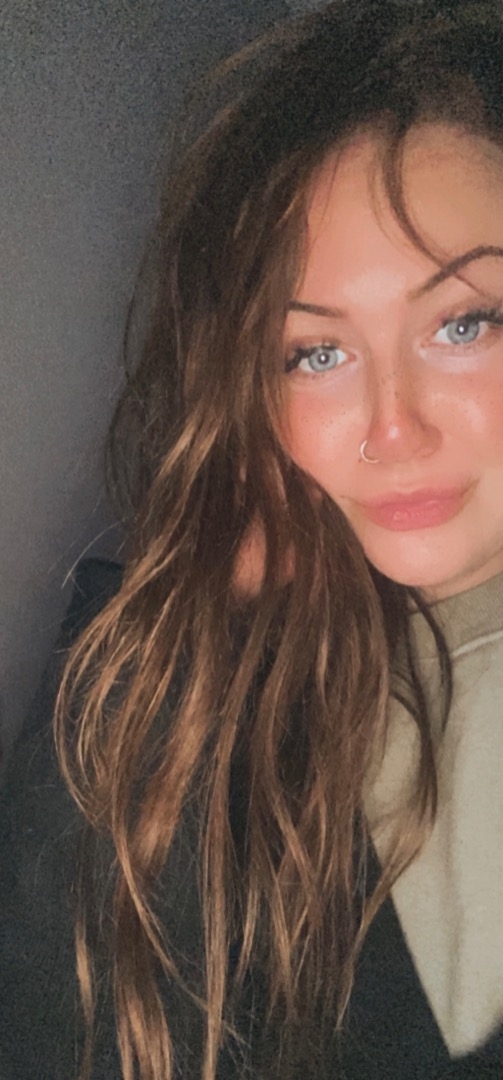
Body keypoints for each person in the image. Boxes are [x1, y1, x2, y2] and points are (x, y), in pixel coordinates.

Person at [2, 0, 503, 1076]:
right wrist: (203, 635)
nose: (391, 429)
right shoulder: (190, 653)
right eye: (315, 354)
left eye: (462, 324)